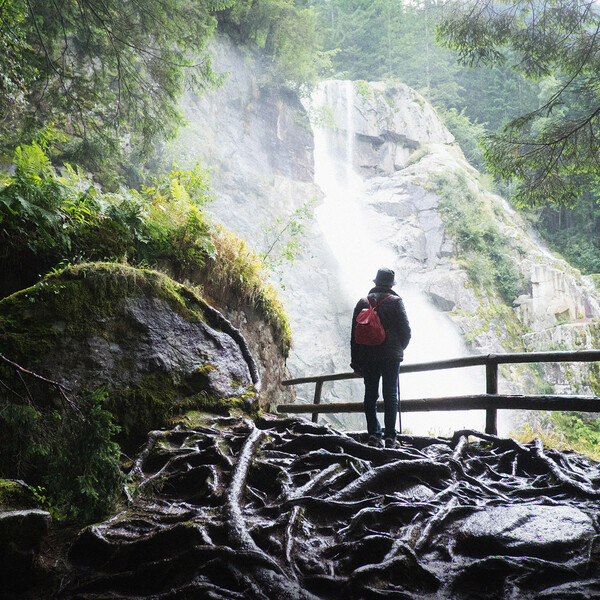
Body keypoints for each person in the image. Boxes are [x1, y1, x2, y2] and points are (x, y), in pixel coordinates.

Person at [350, 268, 411, 448]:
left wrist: (355, 362)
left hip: (368, 356)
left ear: (375, 282)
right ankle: (391, 436)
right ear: (391, 284)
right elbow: (406, 332)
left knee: (370, 394)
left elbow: (354, 337)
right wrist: (398, 350)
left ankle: (374, 435)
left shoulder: (362, 302)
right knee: (390, 394)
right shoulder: (396, 302)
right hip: (391, 357)